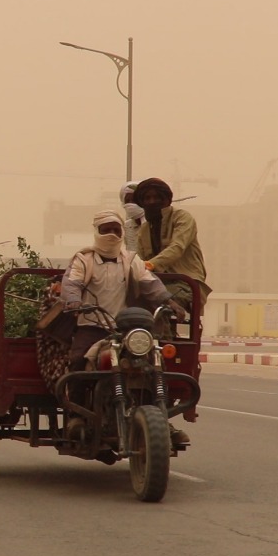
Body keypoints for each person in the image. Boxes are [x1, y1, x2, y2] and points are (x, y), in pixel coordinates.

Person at [60, 209, 191, 445]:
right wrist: (74, 302)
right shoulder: (83, 259)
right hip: (92, 324)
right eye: (106, 229)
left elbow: (151, 284)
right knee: (78, 360)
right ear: (97, 232)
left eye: (115, 229)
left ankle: (163, 419)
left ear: (122, 231)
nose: (111, 234)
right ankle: (76, 416)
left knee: (155, 363)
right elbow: (71, 283)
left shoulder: (131, 260)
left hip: (125, 329)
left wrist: (170, 302)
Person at [133, 177, 211, 311]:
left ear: (166, 200)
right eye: (147, 198)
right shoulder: (144, 230)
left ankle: (162, 332)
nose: (152, 202)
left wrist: (151, 264)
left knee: (162, 305)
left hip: (185, 282)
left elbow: (177, 248)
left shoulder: (182, 218)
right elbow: (138, 259)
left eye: (157, 197)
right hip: (155, 282)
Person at [120, 180, 144, 254]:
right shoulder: (125, 227)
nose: (131, 204)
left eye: (135, 200)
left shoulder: (155, 224)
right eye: (128, 200)